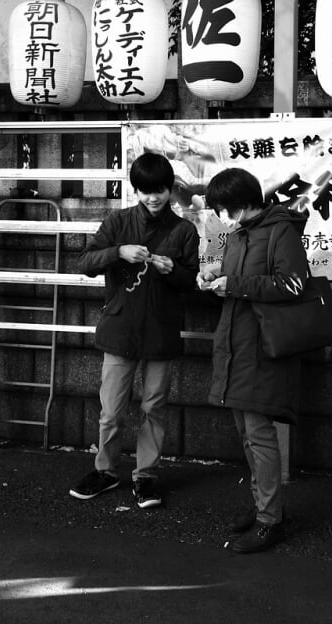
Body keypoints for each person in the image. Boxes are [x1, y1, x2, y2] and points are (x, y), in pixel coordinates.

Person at [69, 153, 200, 509]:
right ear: (136, 190)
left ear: (170, 189)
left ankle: (146, 476)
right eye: (145, 190)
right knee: (111, 409)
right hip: (120, 328)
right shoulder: (118, 221)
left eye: (159, 190)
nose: (153, 197)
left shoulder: (184, 230)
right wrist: (118, 252)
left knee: (154, 407)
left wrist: (173, 270)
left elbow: (192, 282)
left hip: (161, 329)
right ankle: (106, 471)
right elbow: (85, 263)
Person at [197, 167, 309, 553]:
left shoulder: (282, 230)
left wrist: (235, 283)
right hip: (236, 343)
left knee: (259, 435)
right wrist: (215, 273)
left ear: (244, 202)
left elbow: (293, 284)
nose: (222, 216)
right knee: (246, 434)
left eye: (224, 208)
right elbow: (239, 276)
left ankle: (270, 521)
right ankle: (266, 506)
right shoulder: (241, 234)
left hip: (262, 347)